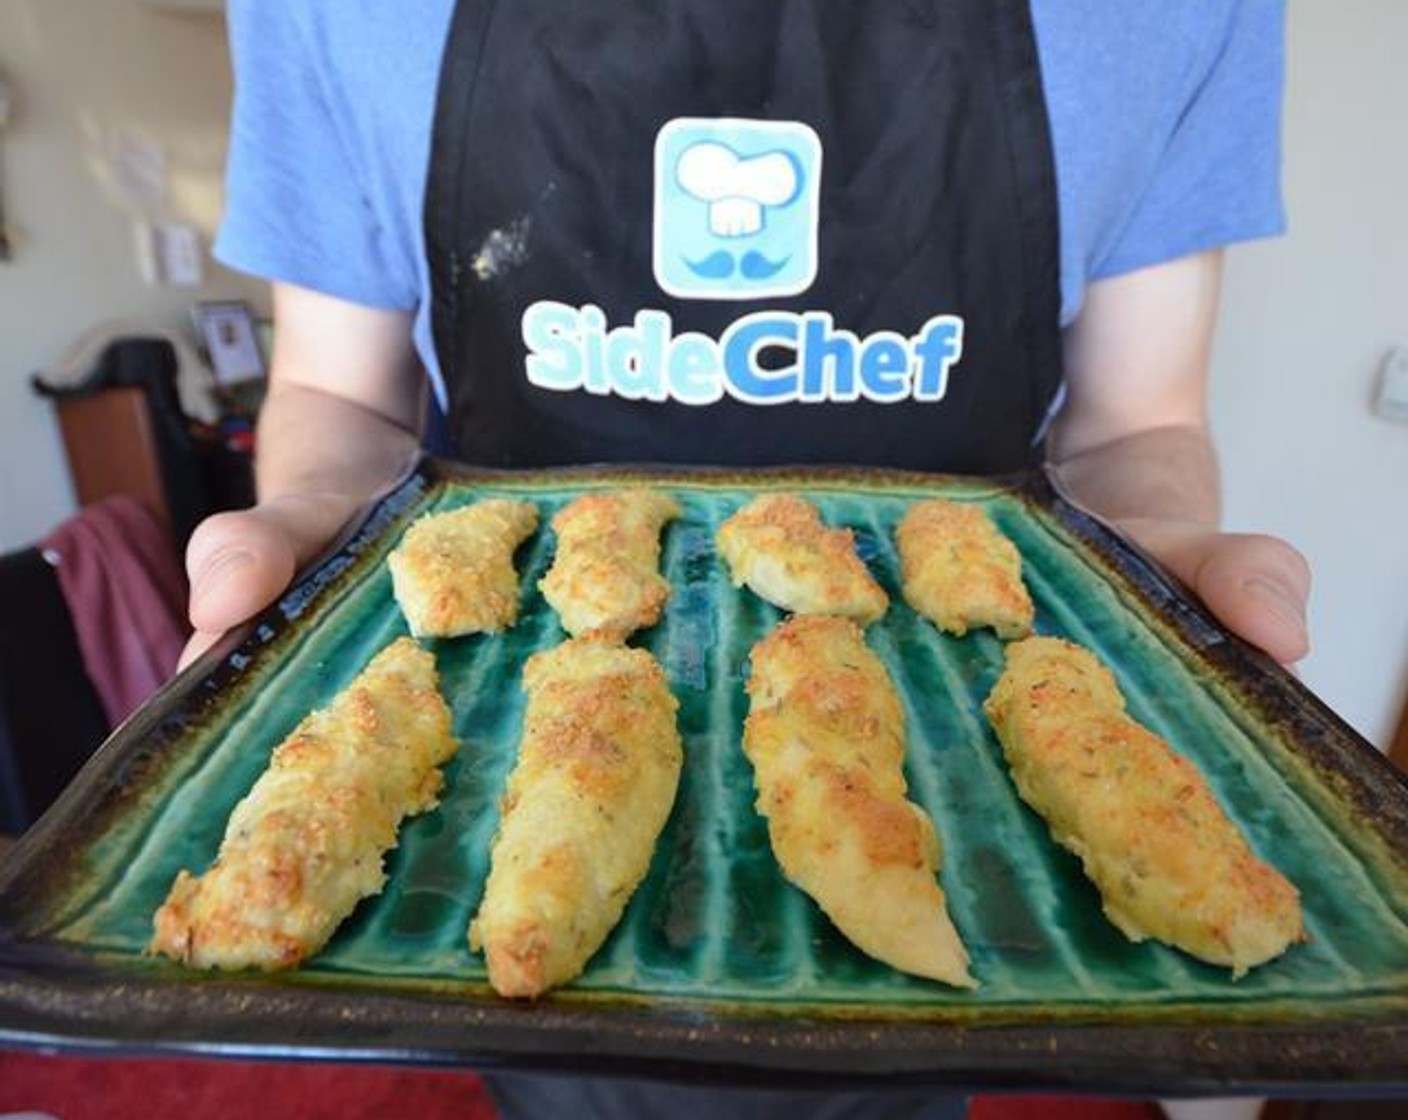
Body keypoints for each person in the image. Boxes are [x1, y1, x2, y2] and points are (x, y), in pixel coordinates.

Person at [181, 1, 1309, 1116]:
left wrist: (1142, 586)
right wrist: (318, 516)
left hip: (950, 785)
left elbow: (1133, 427)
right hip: (501, 756)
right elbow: (334, 390)